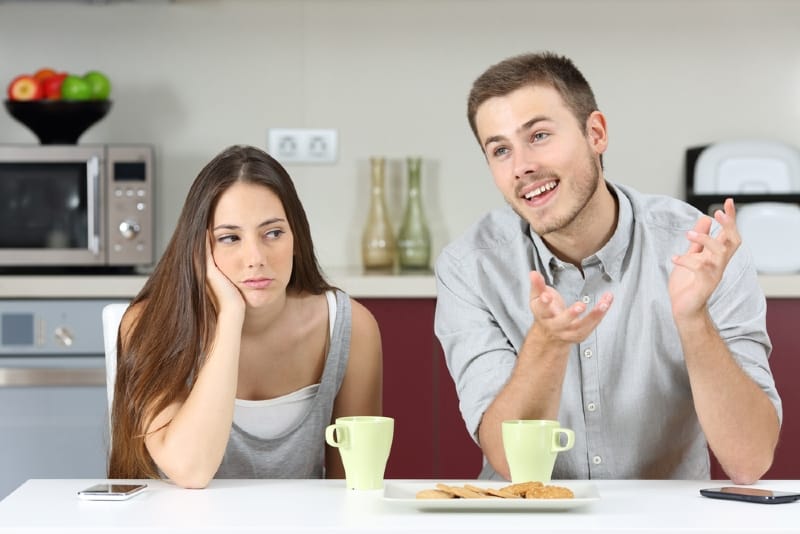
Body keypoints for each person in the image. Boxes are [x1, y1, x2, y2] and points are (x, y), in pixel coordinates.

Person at [434, 52, 781, 485]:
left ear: (595, 133)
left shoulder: (701, 249)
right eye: (500, 149)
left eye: (539, 135)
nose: (521, 165)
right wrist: (547, 343)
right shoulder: (469, 267)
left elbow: (749, 460)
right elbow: (511, 463)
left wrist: (694, 321)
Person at [109, 145, 383, 488]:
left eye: (273, 233)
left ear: (296, 237)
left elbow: (355, 487)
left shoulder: (350, 328)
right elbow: (190, 469)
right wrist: (230, 316)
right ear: (198, 250)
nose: (255, 257)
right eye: (229, 238)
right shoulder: (149, 324)